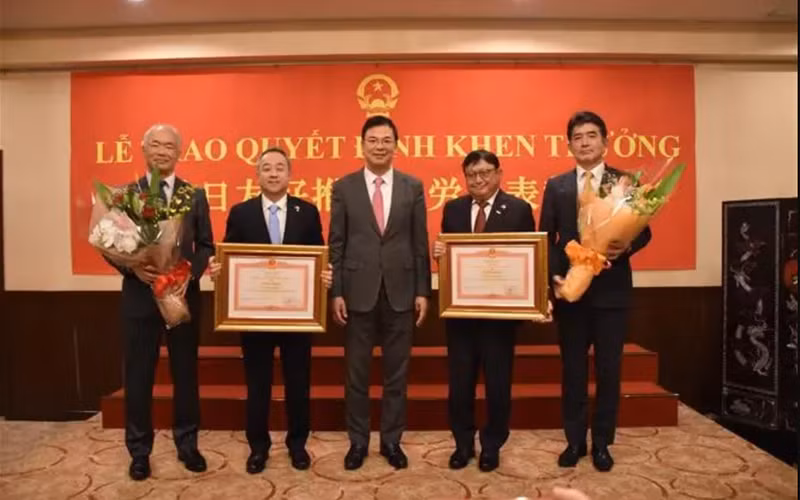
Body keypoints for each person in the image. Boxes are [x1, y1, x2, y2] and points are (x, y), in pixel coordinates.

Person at [539, 111, 652, 472]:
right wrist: (553, 280)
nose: (584, 142)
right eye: (577, 137)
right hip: (571, 294)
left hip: (611, 293)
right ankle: (574, 442)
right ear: (568, 143)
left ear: (605, 141)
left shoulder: (624, 181)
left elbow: (644, 230)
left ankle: (602, 443)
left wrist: (624, 249)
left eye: (591, 136)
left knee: (608, 370)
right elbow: (547, 238)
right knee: (572, 370)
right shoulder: (556, 185)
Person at [208, 148, 332, 473]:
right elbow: (230, 257)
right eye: (267, 168)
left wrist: (324, 274)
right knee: (258, 385)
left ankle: (297, 446)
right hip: (255, 316)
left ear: (290, 174)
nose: (274, 173)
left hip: (297, 316)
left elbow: (318, 255)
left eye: (280, 168)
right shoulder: (241, 213)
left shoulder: (307, 212)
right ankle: (258, 448)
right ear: (257, 175)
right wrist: (219, 270)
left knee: (298, 384)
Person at [108, 123, 214, 481]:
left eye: (169, 146)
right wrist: (133, 269)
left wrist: (189, 275)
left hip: (181, 299)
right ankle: (139, 452)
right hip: (140, 298)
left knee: (186, 374)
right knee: (138, 377)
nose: (162, 151)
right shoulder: (126, 194)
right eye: (155, 144)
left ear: (179, 152)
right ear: (143, 149)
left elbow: (207, 247)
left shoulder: (194, 195)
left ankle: (188, 445)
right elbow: (110, 244)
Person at [432, 149, 547, 472]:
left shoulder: (519, 209)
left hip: (500, 316)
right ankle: (463, 444)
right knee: (460, 383)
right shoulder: (453, 209)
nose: (478, 179)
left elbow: (530, 259)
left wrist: (534, 300)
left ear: (498, 173)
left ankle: (492, 444)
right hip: (461, 315)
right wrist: (438, 252)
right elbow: (449, 258)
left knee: (498, 383)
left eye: (485, 172)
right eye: (472, 174)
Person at [328, 115, 432, 470]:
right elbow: (337, 243)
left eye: (386, 140)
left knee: (396, 375)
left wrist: (423, 289)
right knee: (356, 375)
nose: (379, 146)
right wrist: (336, 291)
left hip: (401, 292)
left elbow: (421, 241)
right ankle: (357, 443)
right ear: (362, 144)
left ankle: (391, 442)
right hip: (357, 293)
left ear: (396, 144)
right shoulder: (344, 187)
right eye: (373, 140)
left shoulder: (412, 186)